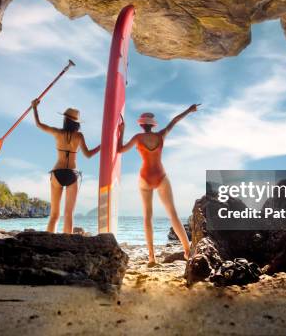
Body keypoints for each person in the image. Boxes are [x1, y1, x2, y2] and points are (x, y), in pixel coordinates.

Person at [118, 104, 200, 265]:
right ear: (153, 124)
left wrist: (121, 131)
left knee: (147, 217)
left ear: (141, 125)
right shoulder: (161, 135)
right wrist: (190, 110)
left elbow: (119, 150)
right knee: (173, 214)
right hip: (161, 176)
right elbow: (174, 121)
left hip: (145, 177)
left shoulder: (137, 138)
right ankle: (187, 250)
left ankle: (151, 257)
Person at [32, 99, 100, 233]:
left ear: (65, 120)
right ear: (76, 123)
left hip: (57, 173)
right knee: (68, 214)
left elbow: (39, 125)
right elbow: (88, 154)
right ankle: (66, 243)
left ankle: (48, 242)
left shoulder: (58, 133)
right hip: (71, 174)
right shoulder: (79, 136)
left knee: (54, 215)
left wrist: (34, 108)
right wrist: (101, 146)